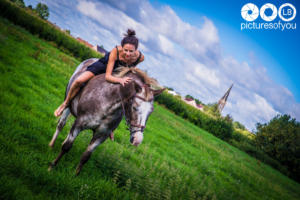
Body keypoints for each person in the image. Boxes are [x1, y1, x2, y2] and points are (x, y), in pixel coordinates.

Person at [54, 29, 144, 140]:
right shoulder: (116, 51)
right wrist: (120, 81)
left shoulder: (140, 58)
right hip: (104, 67)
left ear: (136, 50)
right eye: (126, 50)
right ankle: (65, 103)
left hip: (119, 72)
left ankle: (110, 127)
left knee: (125, 100)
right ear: (121, 47)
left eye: (131, 51)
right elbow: (108, 76)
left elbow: (130, 69)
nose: (128, 54)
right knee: (79, 81)